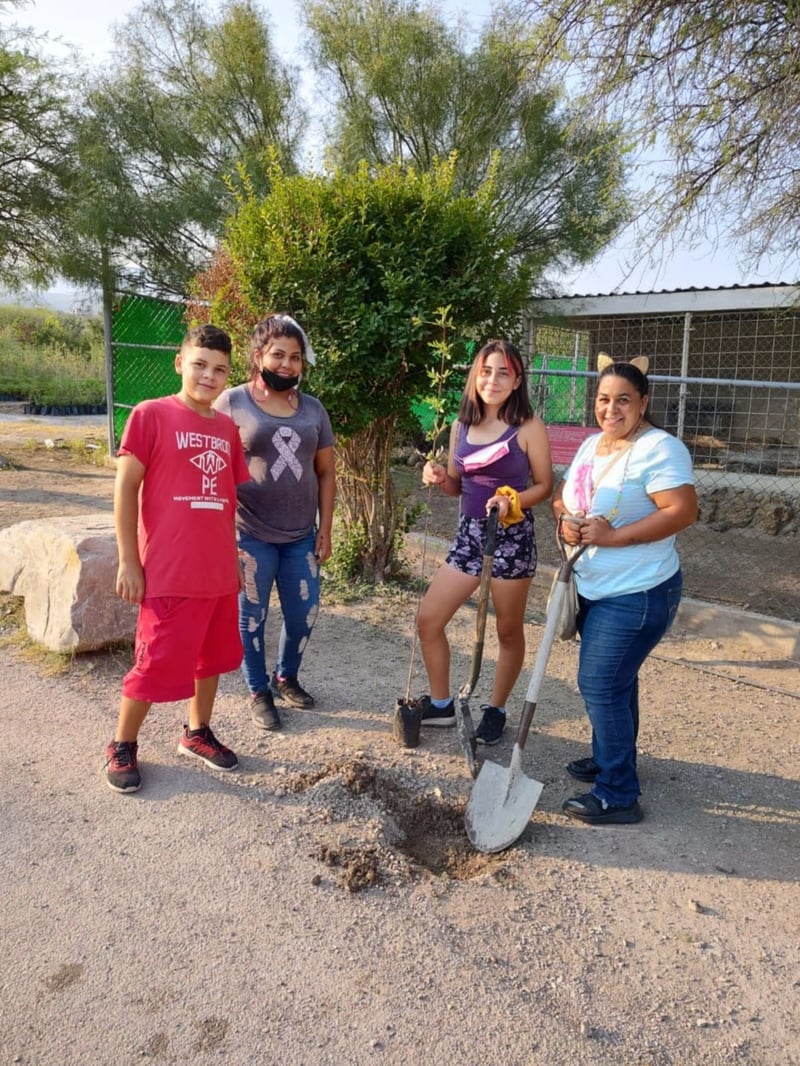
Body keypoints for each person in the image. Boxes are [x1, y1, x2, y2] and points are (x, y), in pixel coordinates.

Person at [104, 325, 251, 794]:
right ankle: (123, 743)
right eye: (200, 364)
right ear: (180, 362)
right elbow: (126, 489)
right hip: (168, 571)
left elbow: (226, 500)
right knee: (154, 663)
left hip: (217, 573)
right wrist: (129, 560)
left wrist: (236, 559)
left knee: (211, 659)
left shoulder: (227, 429)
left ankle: (196, 732)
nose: (209, 375)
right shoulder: (150, 415)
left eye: (220, 369)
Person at [553, 354, 698, 825]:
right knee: (617, 680)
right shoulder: (593, 444)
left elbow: (681, 511)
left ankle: (618, 793)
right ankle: (610, 754)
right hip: (595, 586)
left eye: (622, 401)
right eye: (602, 399)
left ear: (643, 404)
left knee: (599, 683)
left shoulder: (661, 448)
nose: (610, 409)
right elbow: (564, 496)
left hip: (639, 591)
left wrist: (613, 537)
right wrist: (566, 521)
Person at [415, 338, 553, 746]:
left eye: (503, 372)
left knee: (508, 631)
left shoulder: (528, 427)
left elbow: (545, 486)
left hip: (511, 537)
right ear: (475, 375)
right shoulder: (462, 425)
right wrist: (441, 477)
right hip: (469, 536)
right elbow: (458, 488)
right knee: (428, 620)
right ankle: (441, 704)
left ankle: (496, 709)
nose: (492, 380)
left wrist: (511, 499)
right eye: (486, 370)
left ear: (517, 381)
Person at [214, 314, 335, 731]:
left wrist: (326, 527)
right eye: (278, 355)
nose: (286, 365)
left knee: (305, 613)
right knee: (251, 617)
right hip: (250, 534)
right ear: (258, 355)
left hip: (300, 536)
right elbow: (213, 463)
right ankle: (258, 689)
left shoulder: (314, 410)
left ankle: (286, 677)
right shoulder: (232, 402)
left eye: (295, 357)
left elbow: (326, 472)